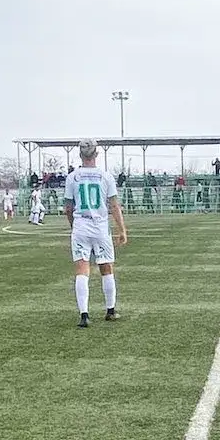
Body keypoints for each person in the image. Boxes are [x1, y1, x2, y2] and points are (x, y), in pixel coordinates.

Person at [65, 138, 128, 328]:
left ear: (80, 154)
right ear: (96, 154)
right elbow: (114, 205)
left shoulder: (72, 177)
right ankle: (110, 310)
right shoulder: (105, 176)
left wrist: (73, 225)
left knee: (82, 270)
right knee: (106, 267)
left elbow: (68, 207)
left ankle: (84, 315)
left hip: (81, 226)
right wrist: (122, 230)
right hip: (100, 226)